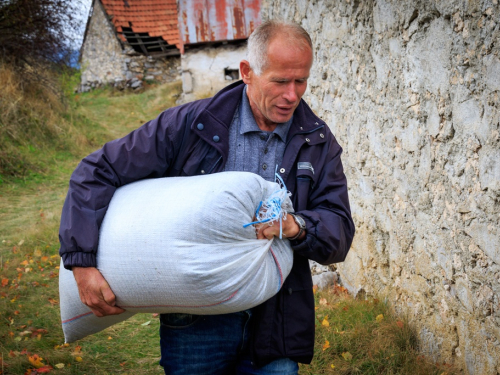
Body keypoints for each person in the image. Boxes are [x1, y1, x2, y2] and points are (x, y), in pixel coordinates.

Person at [59, 20, 355, 374]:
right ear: (247, 72)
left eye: (301, 80)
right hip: (195, 324)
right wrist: (82, 262)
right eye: (279, 81)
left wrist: (296, 226)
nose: (292, 95)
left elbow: (339, 230)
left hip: (277, 321)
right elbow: (97, 170)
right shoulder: (193, 124)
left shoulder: (318, 142)